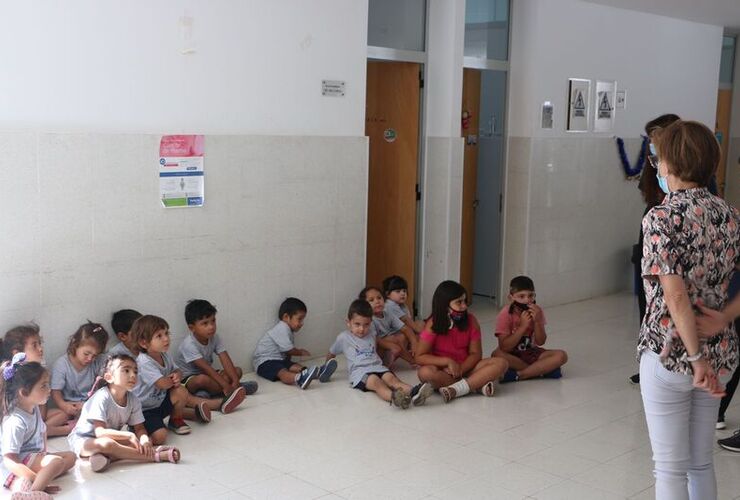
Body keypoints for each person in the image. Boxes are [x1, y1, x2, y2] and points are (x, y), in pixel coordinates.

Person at [637, 120, 739, 500]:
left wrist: (695, 358)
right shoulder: (730, 215)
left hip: (674, 354)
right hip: (723, 353)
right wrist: (726, 316)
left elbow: (675, 296)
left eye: (659, 158)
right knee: (700, 463)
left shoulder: (661, 218)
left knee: (669, 468)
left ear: (668, 165)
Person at [629, 114, 680, 385]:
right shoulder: (652, 168)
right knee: (646, 305)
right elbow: (648, 195)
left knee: (669, 303)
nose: (650, 145)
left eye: (654, 140)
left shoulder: (690, 172)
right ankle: (648, 360)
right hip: (649, 241)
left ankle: (667, 360)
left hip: (670, 244)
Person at [67, 354, 180, 473]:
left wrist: (144, 439)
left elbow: (140, 428)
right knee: (108, 443)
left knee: (144, 442)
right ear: (109, 377)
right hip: (84, 441)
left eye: (135, 372)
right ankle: (156, 456)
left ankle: (106, 457)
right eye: (126, 370)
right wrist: (129, 436)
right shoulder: (101, 397)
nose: (132, 375)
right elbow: (100, 433)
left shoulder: (133, 400)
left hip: (110, 440)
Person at [327, 299, 433, 409]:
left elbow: (382, 345)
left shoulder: (372, 334)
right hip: (360, 373)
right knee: (376, 382)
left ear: (371, 323)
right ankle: (395, 397)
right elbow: (331, 352)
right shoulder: (343, 337)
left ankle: (415, 392)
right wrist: (326, 367)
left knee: (392, 379)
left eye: (366, 324)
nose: (362, 329)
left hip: (378, 367)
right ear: (348, 322)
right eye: (357, 324)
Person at [131, 315, 220, 445]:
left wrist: (177, 375)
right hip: (144, 411)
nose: (166, 339)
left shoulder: (165, 355)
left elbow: (177, 370)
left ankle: (175, 420)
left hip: (159, 403)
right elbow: (161, 384)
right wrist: (174, 380)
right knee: (161, 437)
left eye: (167, 333)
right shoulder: (144, 362)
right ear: (144, 343)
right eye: (159, 336)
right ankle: (137, 432)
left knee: (181, 390)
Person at [416, 280, 508, 403]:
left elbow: (476, 354)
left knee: (501, 363)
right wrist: (447, 362)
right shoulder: (432, 324)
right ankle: (475, 385)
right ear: (444, 306)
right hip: (444, 370)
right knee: (424, 373)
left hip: (468, 368)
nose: (464, 306)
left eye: (465, 301)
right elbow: (420, 356)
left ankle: (456, 389)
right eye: (459, 302)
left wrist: (460, 369)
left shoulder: (471, 320)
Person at [1, 353, 76, 500]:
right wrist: (38, 479)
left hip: (32, 458)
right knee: (57, 462)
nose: (49, 389)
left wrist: (44, 459)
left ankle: (24, 485)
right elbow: (9, 460)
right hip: (15, 464)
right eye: (43, 386)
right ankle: (32, 492)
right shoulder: (15, 421)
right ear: (24, 392)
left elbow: (42, 432)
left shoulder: (33, 408)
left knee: (71, 457)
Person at [175, 299, 257, 399]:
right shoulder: (189, 345)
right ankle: (230, 390)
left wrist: (236, 381)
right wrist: (226, 385)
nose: (211, 327)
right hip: (190, 379)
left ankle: (208, 394)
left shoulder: (214, 337)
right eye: (205, 323)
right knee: (201, 380)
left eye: (213, 321)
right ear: (192, 328)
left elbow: (225, 359)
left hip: (209, 375)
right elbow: (206, 368)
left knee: (237, 371)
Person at [493, 276, 568, 382]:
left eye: (531, 296)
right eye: (521, 296)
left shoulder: (537, 311)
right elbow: (504, 347)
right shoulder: (505, 314)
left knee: (561, 356)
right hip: (513, 354)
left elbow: (540, 341)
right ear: (511, 298)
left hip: (531, 353)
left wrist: (537, 321)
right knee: (497, 354)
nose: (527, 300)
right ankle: (540, 370)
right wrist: (523, 327)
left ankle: (520, 374)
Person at [2, 324, 71, 437]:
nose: (40, 348)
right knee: (39, 426)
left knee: (62, 414)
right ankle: (58, 430)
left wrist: (40, 419)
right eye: (34, 345)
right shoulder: (16, 375)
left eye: (40, 343)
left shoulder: (39, 368)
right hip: (20, 419)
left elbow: (42, 400)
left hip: (36, 414)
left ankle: (40, 431)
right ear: (17, 353)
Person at [253, 297, 337, 389]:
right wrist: (301, 352)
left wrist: (289, 363)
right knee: (282, 371)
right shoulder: (282, 328)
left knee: (293, 365)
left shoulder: (287, 329)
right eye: (299, 319)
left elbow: (287, 354)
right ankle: (299, 378)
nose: (302, 323)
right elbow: (289, 350)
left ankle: (316, 373)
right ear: (286, 317)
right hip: (264, 362)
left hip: (278, 359)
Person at [50, 322, 109, 421]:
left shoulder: (99, 361)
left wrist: (88, 404)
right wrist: (63, 405)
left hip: (92, 404)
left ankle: (70, 428)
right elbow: (55, 391)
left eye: (95, 355)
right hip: (70, 407)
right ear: (75, 344)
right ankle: (52, 430)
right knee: (61, 415)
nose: (90, 359)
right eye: (86, 353)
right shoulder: (62, 364)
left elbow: (106, 386)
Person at [359, 286, 417, 367]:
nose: (377, 301)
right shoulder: (368, 319)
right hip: (371, 350)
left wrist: (414, 342)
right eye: (371, 300)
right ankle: (413, 360)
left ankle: (388, 359)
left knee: (402, 336)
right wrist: (393, 346)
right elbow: (376, 340)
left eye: (379, 298)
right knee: (394, 339)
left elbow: (405, 329)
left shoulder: (388, 313)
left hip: (386, 344)